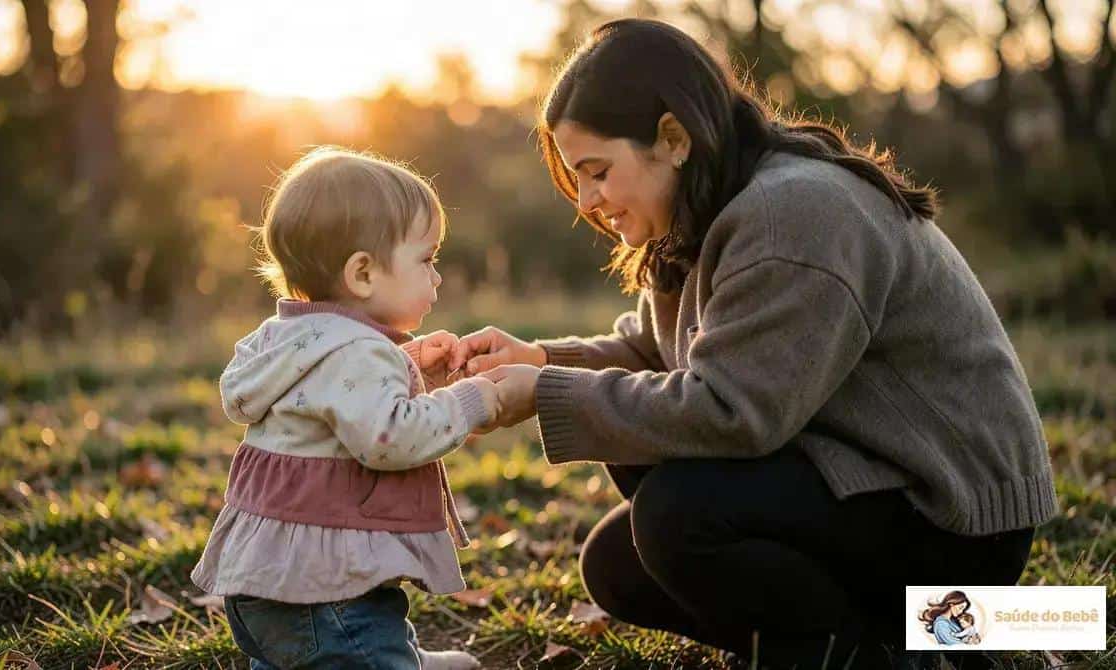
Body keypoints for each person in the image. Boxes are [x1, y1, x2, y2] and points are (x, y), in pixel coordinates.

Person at [449, 18, 1058, 670]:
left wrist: (544, 395)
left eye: (597, 172)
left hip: (952, 520)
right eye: (577, 178)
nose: (588, 200)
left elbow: (733, 412)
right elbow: (663, 354)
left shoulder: (790, 212)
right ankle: (937, 640)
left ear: (673, 138)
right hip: (865, 479)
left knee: (678, 518)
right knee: (617, 565)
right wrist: (539, 360)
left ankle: (915, 646)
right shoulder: (703, 209)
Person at [191, 147, 496, 670]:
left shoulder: (290, 340)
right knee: (359, 651)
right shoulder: (357, 353)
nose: (437, 277)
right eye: (427, 260)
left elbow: (335, 396)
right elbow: (390, 437)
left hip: (264, 584)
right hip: (329, 598)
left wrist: (410, 365)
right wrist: (473, 400)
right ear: (362, 274)